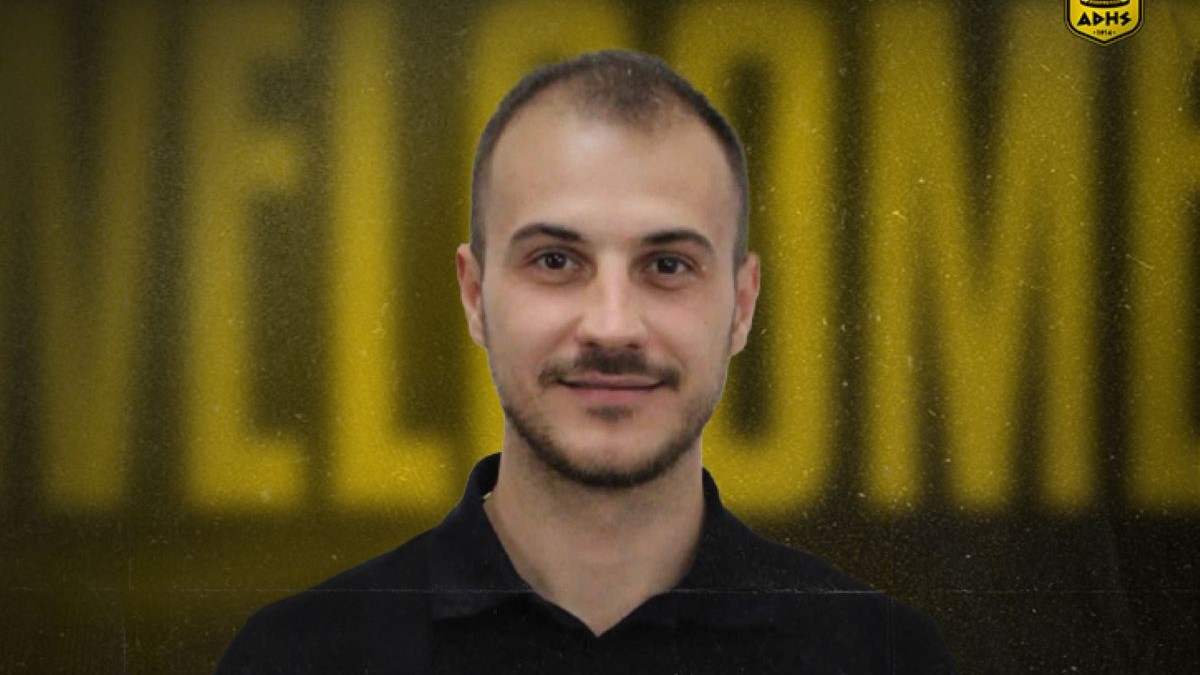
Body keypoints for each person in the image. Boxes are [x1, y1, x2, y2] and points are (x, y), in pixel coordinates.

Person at [216, 49, 955, 674]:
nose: (611, 327)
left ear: (741, 304)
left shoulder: (885, 657)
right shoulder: (294, 658)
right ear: (474, 295)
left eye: (667, 264)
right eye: (555, 260)